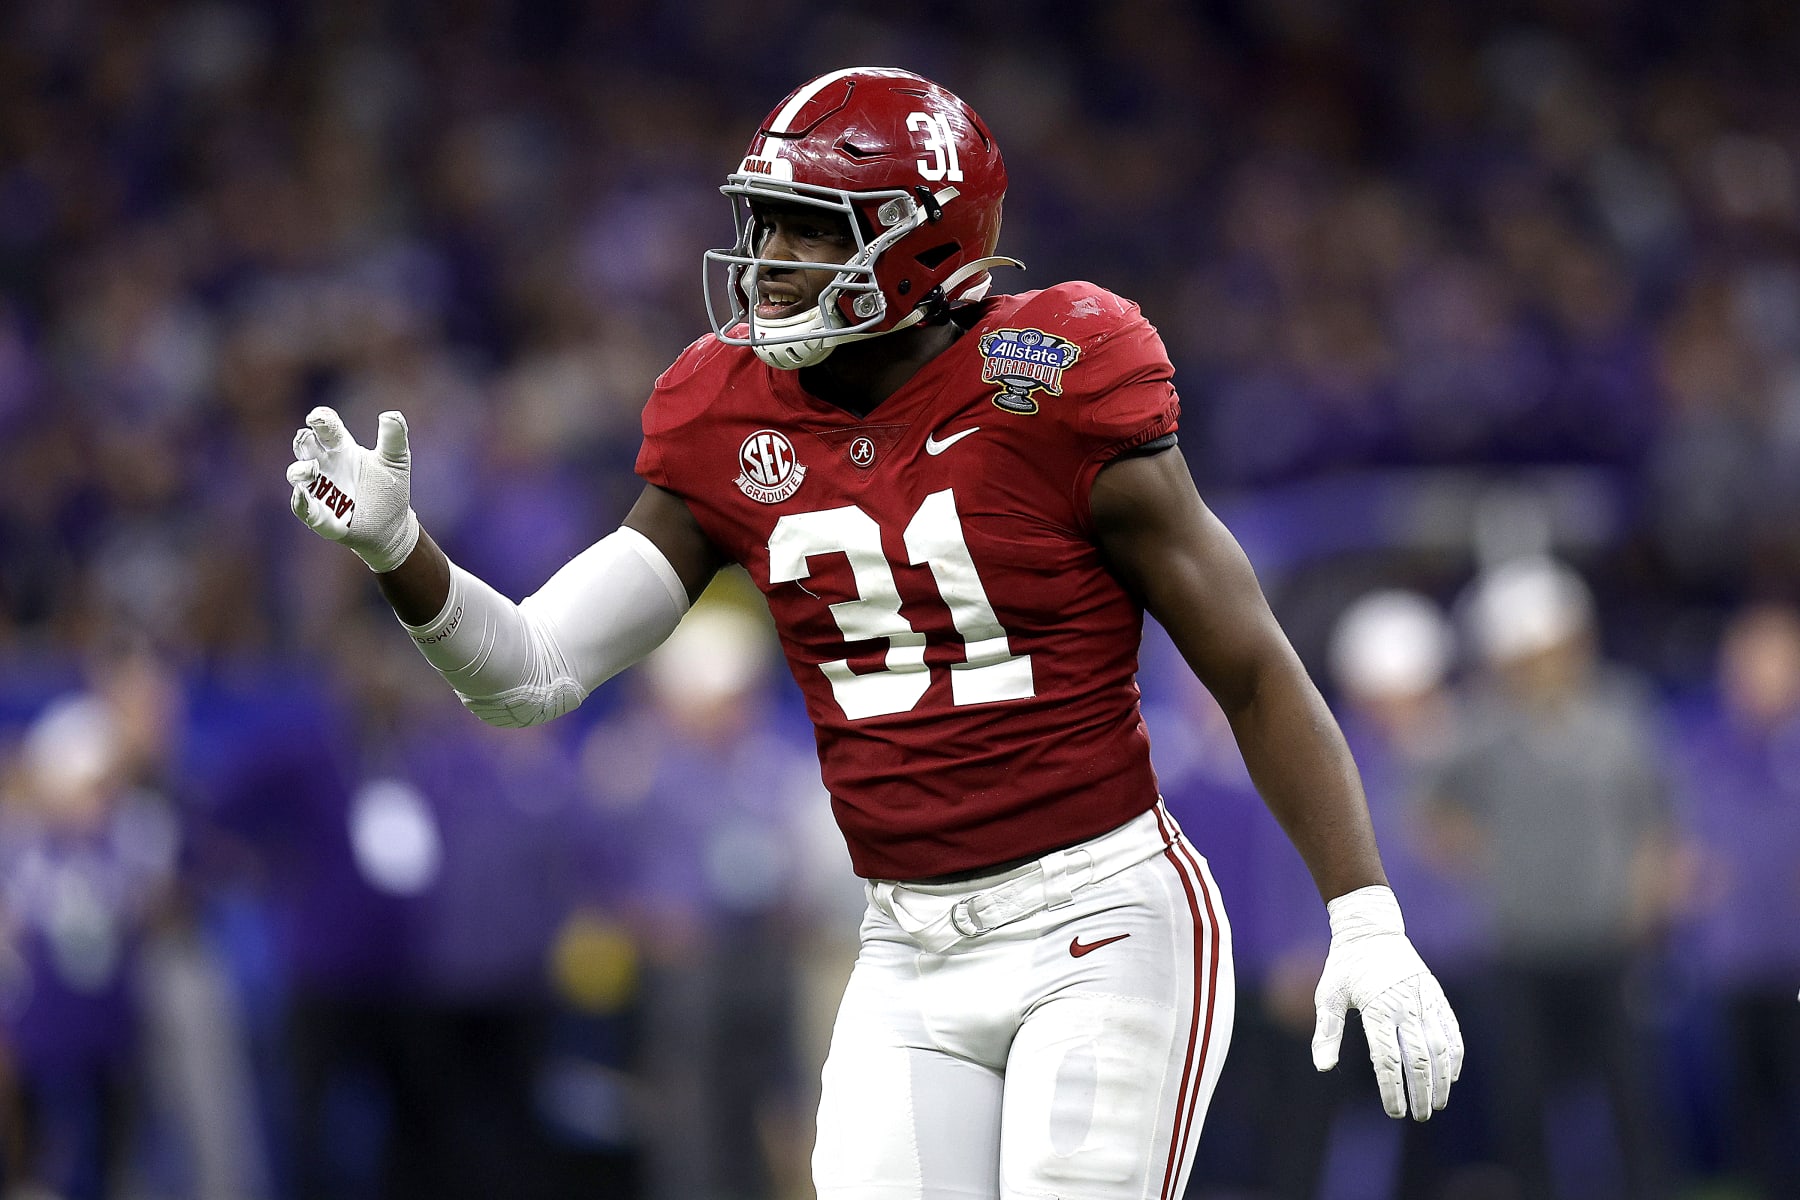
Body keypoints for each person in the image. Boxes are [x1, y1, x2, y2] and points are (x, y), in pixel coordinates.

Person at [284, 67, 1462, 1199]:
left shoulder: (1049, 377)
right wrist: (403, 556)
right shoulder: (726, 411)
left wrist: (1362, 912)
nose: (771, 264)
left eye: (809, 229)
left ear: (924, 241)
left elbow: (1250, 664)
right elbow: (531, 676)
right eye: (765, 225)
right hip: (904, 944)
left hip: (1099, 922)